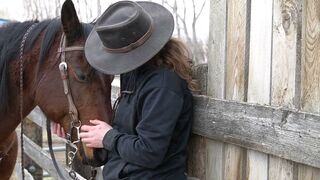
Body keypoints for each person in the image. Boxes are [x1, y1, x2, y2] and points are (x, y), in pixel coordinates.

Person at [77, 1, 198, 179]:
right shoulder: (135, 75)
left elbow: (149, 152)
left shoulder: (163, 86)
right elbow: (127, 131)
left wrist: (108, 137)